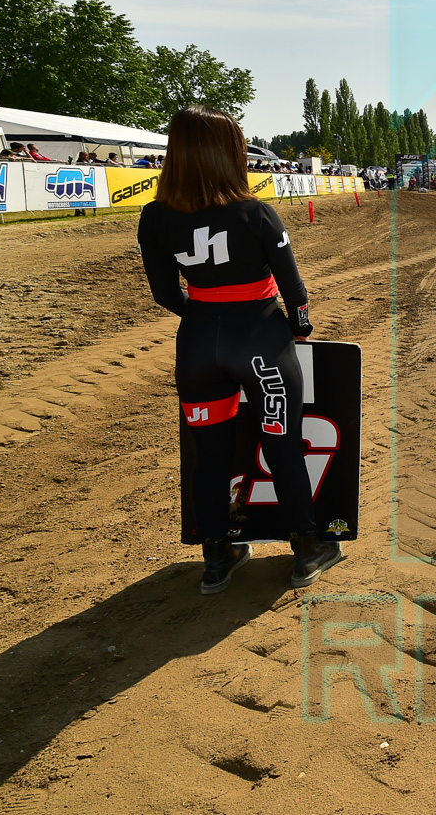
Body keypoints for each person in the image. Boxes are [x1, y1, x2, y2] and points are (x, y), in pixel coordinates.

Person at [136, 105, 343, 595]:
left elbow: (164, 294)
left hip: (198, 347)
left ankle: (216, 558)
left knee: (209, 455)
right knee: (282, 444)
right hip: (261, 341)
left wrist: (206, 318)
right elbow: (293, 287)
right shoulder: (255, 212)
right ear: (230, 153)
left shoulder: (154, 216)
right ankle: (307, 549)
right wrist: (299, 325)